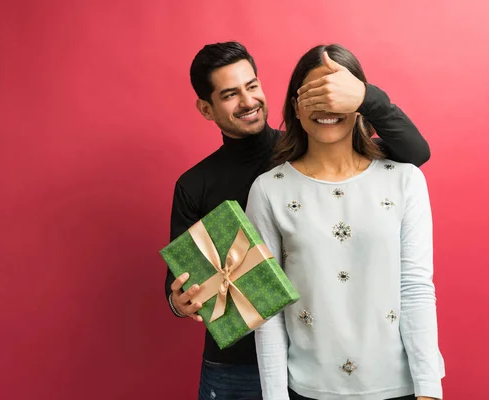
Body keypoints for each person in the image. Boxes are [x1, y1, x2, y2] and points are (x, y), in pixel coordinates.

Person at [165, 41, 432, 400]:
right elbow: (182, 278)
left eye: (252, 86)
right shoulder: (199, 185)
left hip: (313, 359)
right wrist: (178, 302)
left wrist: (363, 96)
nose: (247, 101)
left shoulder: (316, 149)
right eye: (229, 94)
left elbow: (414, 154)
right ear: (206, 108)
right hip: (237, 361)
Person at [245, 44, 445, 400]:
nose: (327, 105)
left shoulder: (405, 180)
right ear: (295, 106)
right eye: (314, 94)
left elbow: (416, 287)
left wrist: (429, 389)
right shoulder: (268, 190)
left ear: (359, 102)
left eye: (338, 92)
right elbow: (268, 310)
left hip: (397, 387)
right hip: (307, 389)